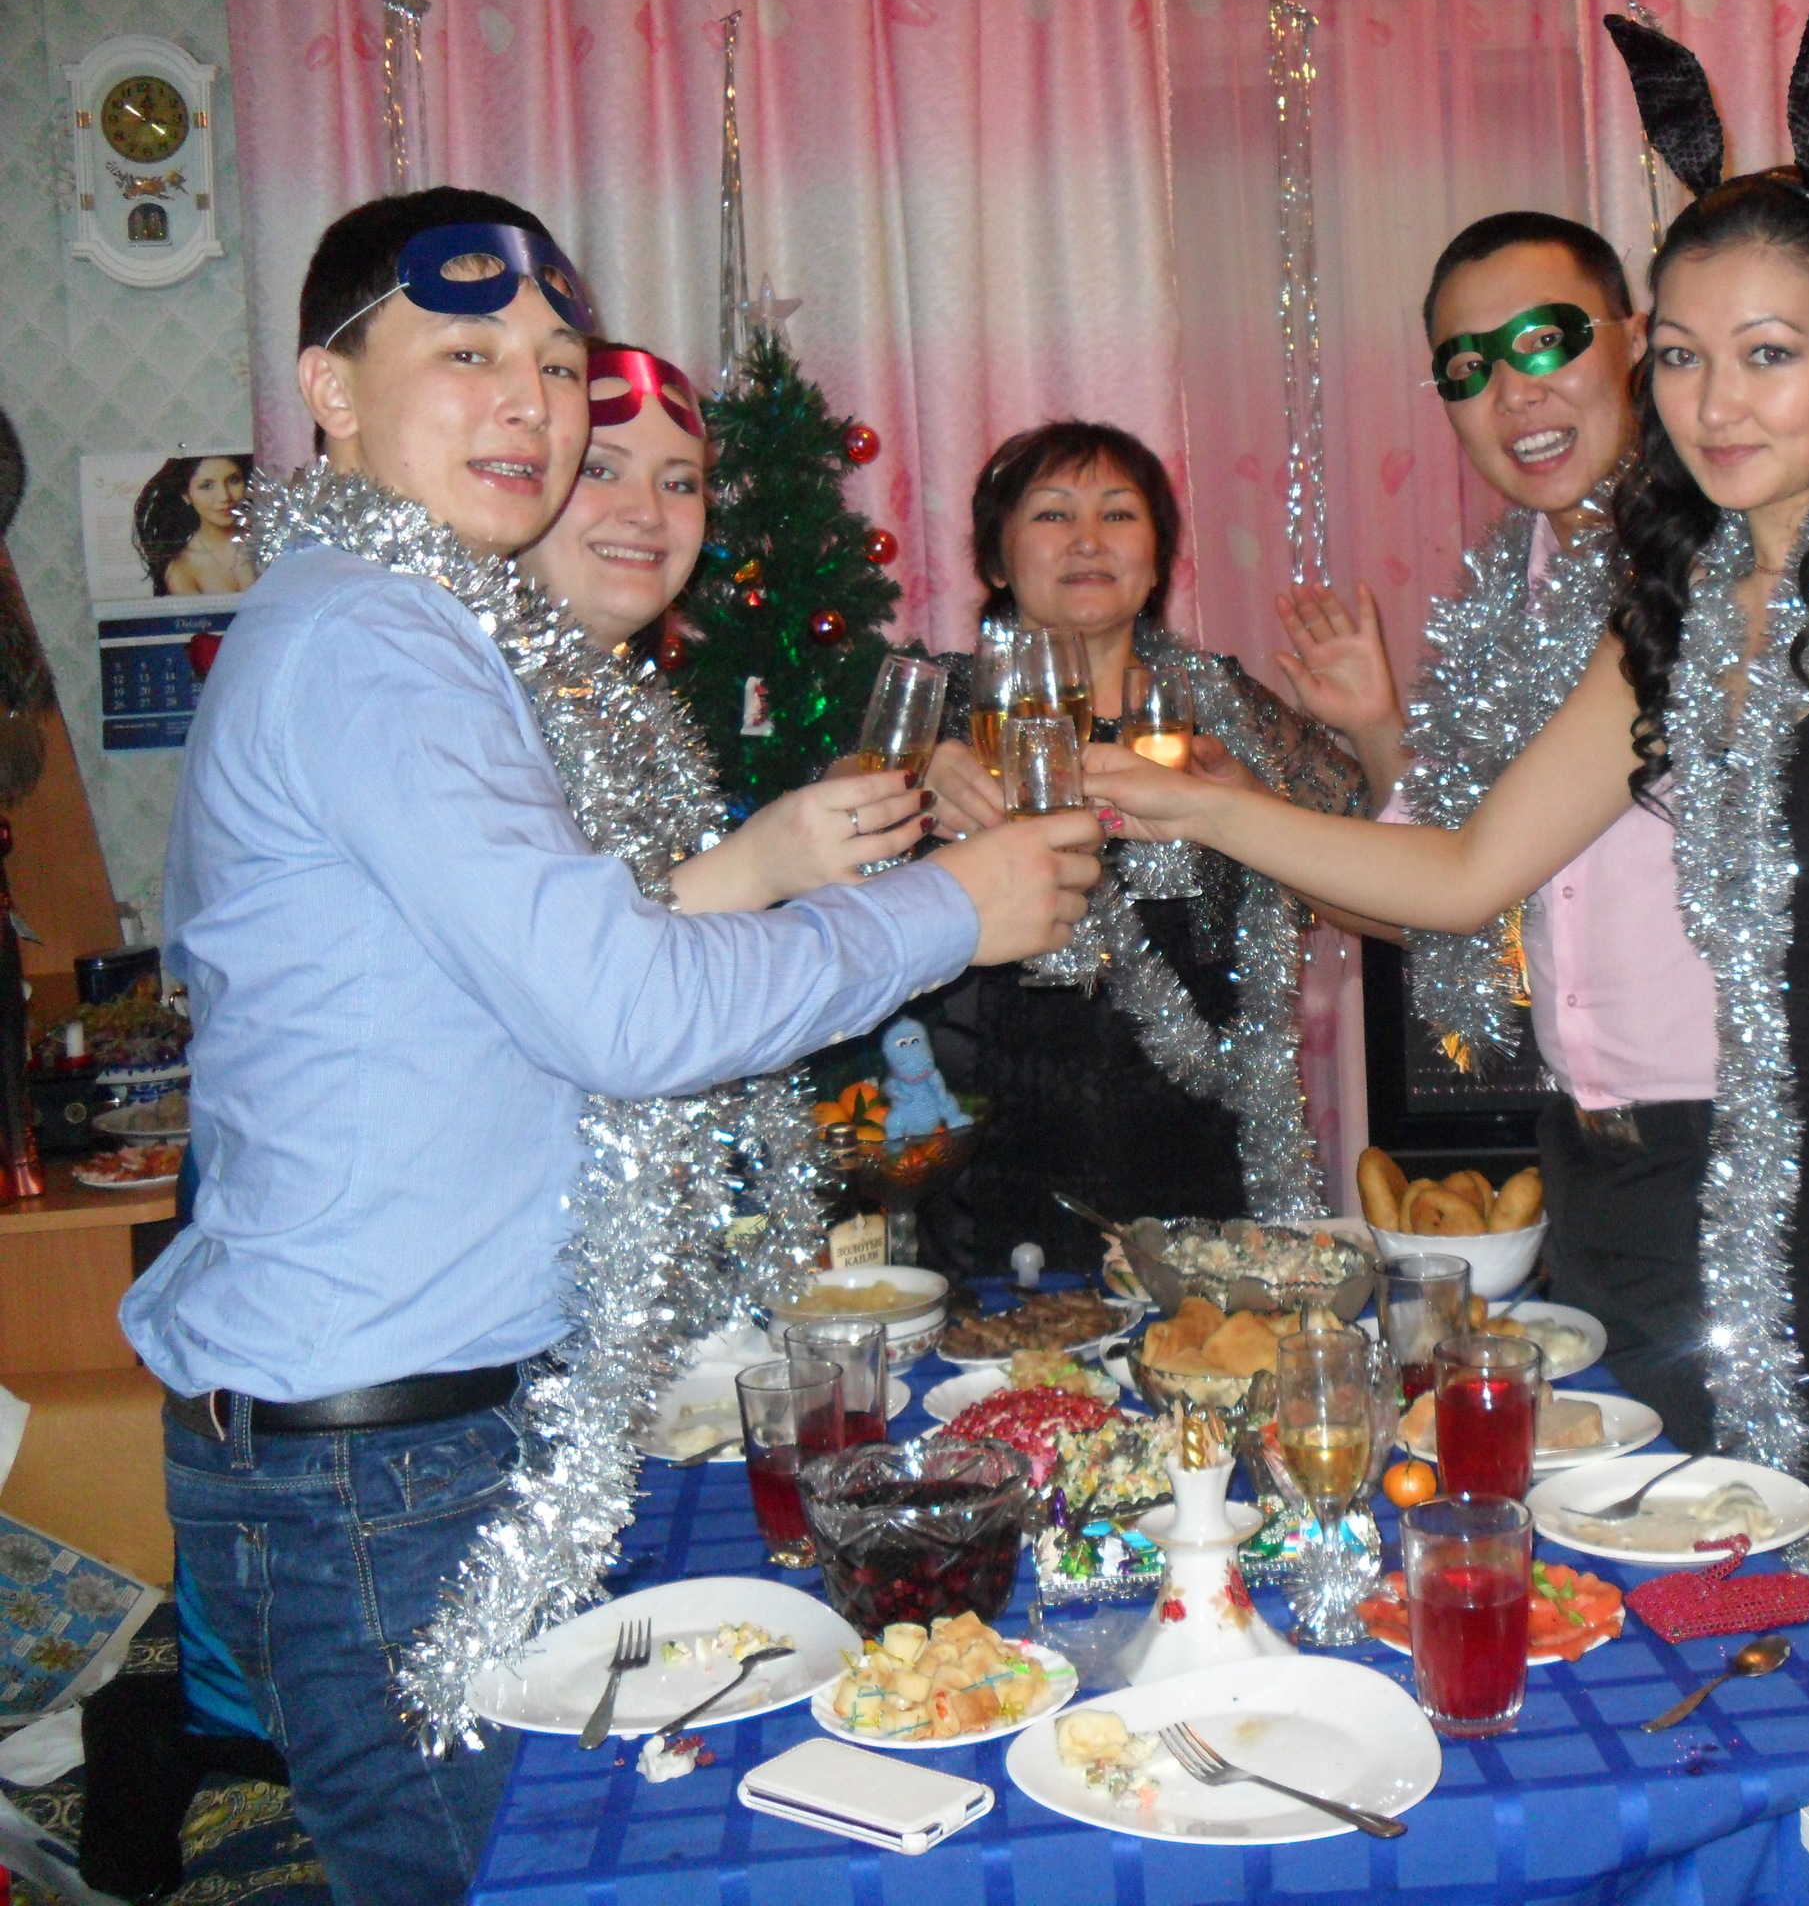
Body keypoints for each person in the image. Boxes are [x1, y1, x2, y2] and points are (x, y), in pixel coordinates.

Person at [1086, 0, 1809, 1737]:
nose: (1714, 400)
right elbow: (1464, 871)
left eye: (1770, 353)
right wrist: (1194, 807)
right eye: (1685, 356)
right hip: (1791, 1227)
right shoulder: (1673, 615)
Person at [121, 187, 1097, 1905]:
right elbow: (625, 1014)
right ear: (330, 393)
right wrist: (951, 910)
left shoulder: (420, 627)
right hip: (378, 1470)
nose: (532, 405)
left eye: (560, 365)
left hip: (425, 1437)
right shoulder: (372, 638)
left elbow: (544, 983)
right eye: (467, 354)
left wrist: (778, 870)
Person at [1261, 209, 1809, 1452]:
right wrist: (1365, 744)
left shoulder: (1748, 557)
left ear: (1631, 342)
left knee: (1799, 1518)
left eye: (1544, 339)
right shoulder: (1513, 605)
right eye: (1466, 365)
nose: (1512, 391)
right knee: (1643, 1516)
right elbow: (1465, 881)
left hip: (1777, 1136)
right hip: (1595, 1153)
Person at [904, 421, 1366, 1277]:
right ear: (997, 561)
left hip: (1201, 1155)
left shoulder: (1223, 710)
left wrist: (1360, 734)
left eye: (1118, 514)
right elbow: (815, 804)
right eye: (1052, 514)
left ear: (1157, 564)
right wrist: (910, 782)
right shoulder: (944, 708)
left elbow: (1375, 853)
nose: (1088, 540)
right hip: (983, 1162)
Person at [519, 340, 934, 907]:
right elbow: (564, 948)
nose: (647, 512)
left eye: (679, 483)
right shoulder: (459, 688)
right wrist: (760, 865)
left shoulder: (644, 711)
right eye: (599, 470)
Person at [132, 452, 255, 595]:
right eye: (206, 486)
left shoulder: (266, 538)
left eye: (234, 480)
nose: (224, 496)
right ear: (186, 495)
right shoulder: (182, 569)